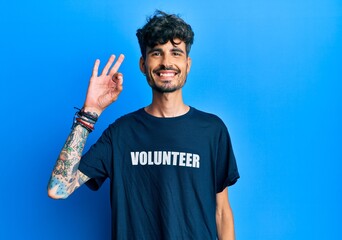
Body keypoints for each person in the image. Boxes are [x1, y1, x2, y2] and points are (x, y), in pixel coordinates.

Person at [48, 10, 239, 240]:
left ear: (187, 64)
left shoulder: (212, 130)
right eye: (156, 53)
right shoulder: (121, 133)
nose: (166, 62)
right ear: (143, 63)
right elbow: (58, 189)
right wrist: (90, 112)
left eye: (175, 53)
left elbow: (222, 212)